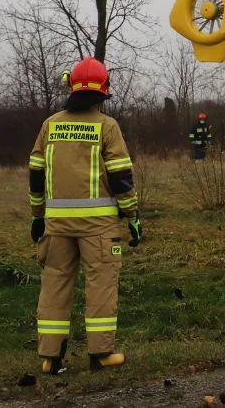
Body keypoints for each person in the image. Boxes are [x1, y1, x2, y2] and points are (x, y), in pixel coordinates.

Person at [27, 56, 143, 374]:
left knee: (54, 285)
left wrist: (38, 215)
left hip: (56, 225)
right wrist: (132, 215)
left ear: (72, 88)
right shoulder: (107, 127)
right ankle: (101, 355)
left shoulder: (50, 125)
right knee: (100, 285)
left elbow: (36, 173)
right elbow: (121, 176)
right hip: (100, 227)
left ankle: (50, 359)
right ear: (102, 92)